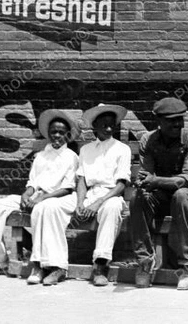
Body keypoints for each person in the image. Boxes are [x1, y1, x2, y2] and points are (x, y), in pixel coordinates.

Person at [0, 109, 79, 286]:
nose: (57, 136)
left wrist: (41, 199)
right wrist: (26, 194)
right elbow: (32, 183)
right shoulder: (41, 156)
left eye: (61, 132)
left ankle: (38, 265)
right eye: (53, 132)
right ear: (48, 134)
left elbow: (67, 188)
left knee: (41, 209)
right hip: (36, 197)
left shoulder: (71, 157)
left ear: (67, 135)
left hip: (56, 198)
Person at [128, 97, 188, 290]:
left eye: (180, 119)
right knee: (138, 198)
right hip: (163, 198)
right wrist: (142, 182)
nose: (177, 124)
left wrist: (155, 181)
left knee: (182, 195)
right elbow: (147, 174)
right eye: (171, 120)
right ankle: (145, 261)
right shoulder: (148, 139)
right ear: (159, 121)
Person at [75, 103, 132, 287]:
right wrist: (79, 203)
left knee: (112, 207)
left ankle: (100, 264)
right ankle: (51, 264)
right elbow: (82, 180)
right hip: (89, 195)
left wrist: (98, 202)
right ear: (94, 126)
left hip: (110, 196)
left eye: (112, 124)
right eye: (104, 124)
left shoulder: (122, 149)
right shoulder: (86, 150)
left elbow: (121, 184)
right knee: (51, 207)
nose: (108, 128)